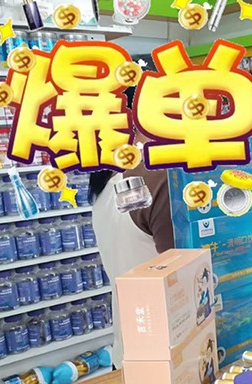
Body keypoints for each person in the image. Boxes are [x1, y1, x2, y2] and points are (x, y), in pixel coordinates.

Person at [90, 75, 175, 367]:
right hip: (169, 350)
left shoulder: (104, 180)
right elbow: (184, 268)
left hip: (128, 347)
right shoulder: (157, 175)